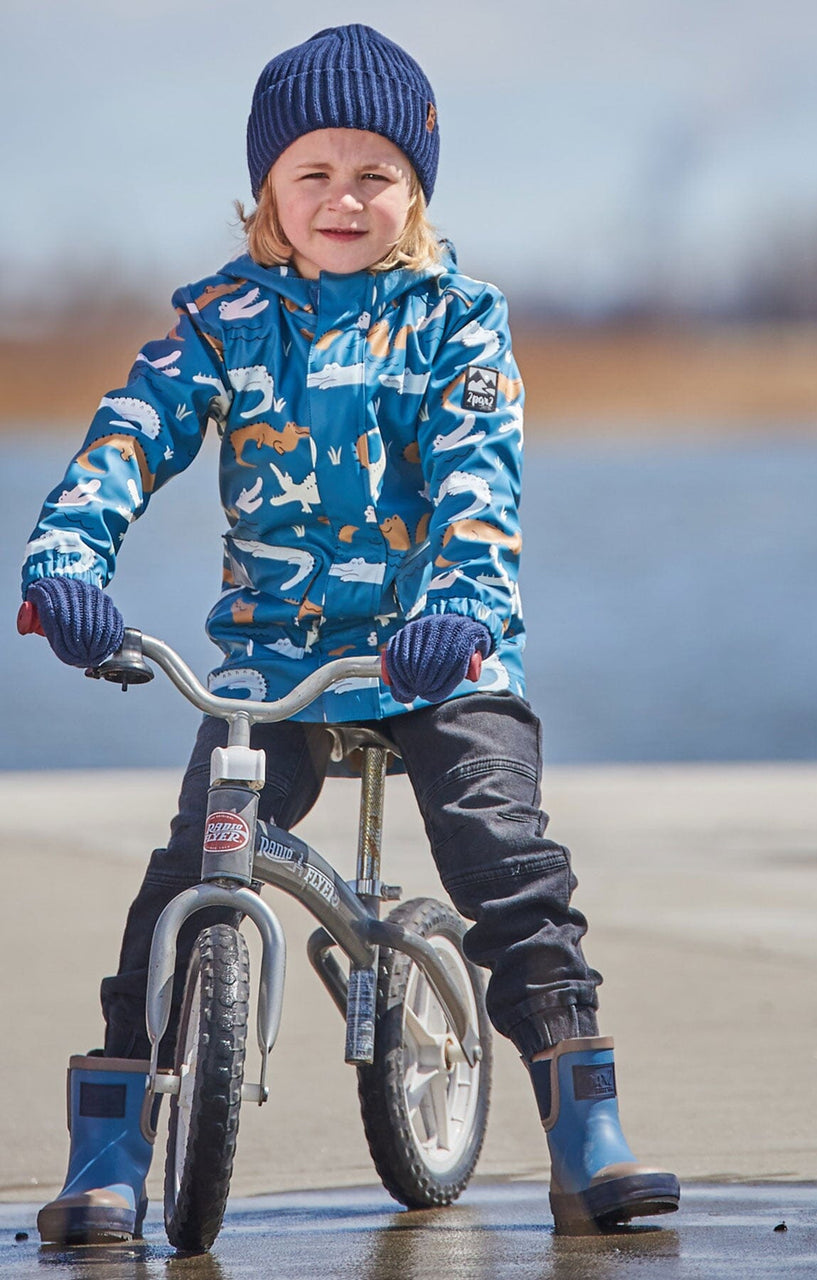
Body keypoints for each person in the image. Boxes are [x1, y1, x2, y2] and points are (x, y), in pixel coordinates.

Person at [18, 25, 680, 1243]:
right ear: (266, 187)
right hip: (276, 659)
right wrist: (69, 559)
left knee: (500, 850)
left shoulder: (458, 325)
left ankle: (584, 1122)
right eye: (311, 172)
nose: (342, 198)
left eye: (374, 172)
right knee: (188, 869)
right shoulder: (221, 320)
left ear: (417, 189)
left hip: (440, 647)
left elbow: (481, 485)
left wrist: (461, 605)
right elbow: (126, 438)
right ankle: (110, 1142)